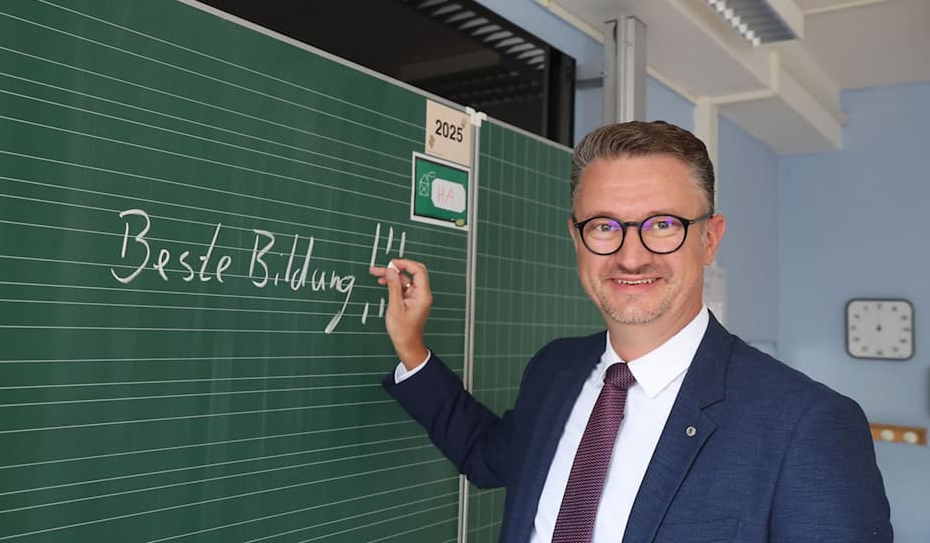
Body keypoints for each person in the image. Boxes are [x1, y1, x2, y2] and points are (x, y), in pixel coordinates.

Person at [369, 120, 892, 542]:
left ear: (709, 239)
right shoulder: (556, 368)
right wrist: (411, 348)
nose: (631, 254)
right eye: (604, 226)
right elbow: (488, 460)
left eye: (663, 224)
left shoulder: (808, 424)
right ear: (576, 238)